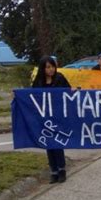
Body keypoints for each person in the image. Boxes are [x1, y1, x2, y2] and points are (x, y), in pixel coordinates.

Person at [32, 56, 71, 184]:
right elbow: (31, 96)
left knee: (57, 143)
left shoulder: (60, 78)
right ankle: (53, 171)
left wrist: (74, 91)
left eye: (52, 66)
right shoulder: (38, 82)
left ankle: (62, 170)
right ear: (43, 69)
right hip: (45, 118)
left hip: (58, 117)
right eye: (48, 67)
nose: (51, 70)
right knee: (49, 144)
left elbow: (68, 92)